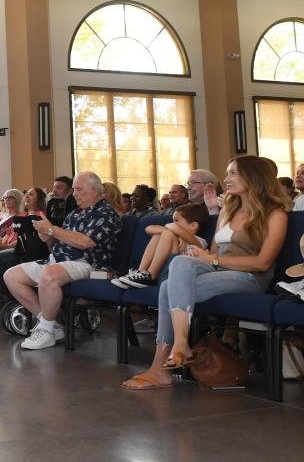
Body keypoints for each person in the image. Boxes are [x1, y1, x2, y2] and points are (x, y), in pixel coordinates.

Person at [122, 156, 289, 390]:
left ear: (254, 177)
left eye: (233, 173)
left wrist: (212, 259)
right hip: (217, 271)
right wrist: (198, 255)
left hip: (249, 278)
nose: (226, 179)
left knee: (168, 288)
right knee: (180, 263)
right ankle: (181, 344)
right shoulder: (228, 211)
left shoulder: (275, 215)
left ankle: (161, 366)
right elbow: (211, 252)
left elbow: (262, 263)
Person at [3, 172, 122, 350]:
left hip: (88, 263)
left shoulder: (106, 214)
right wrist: (48, 238)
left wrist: (52, 230)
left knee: (50, 274)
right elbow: (57, 246)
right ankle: (51, 324)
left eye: (79, 189)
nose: (75, 194)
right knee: (11, 275)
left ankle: (46, 330)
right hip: (58, 260)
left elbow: (85, 242)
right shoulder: (74, 214)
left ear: (96, 190)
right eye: (74, 190)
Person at [111, 203, 209, 289]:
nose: (173, 223)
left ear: (193, 226)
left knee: (167, 233)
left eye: (176, 220)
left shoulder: (200, 242)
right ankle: (140, 273)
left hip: (173, 275)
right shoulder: (173, 233)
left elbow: (172, 227)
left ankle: (150, 276)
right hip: (162, 270)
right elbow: (148, 229)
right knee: (158, 235)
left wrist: (174, 233)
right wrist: (171, 233)